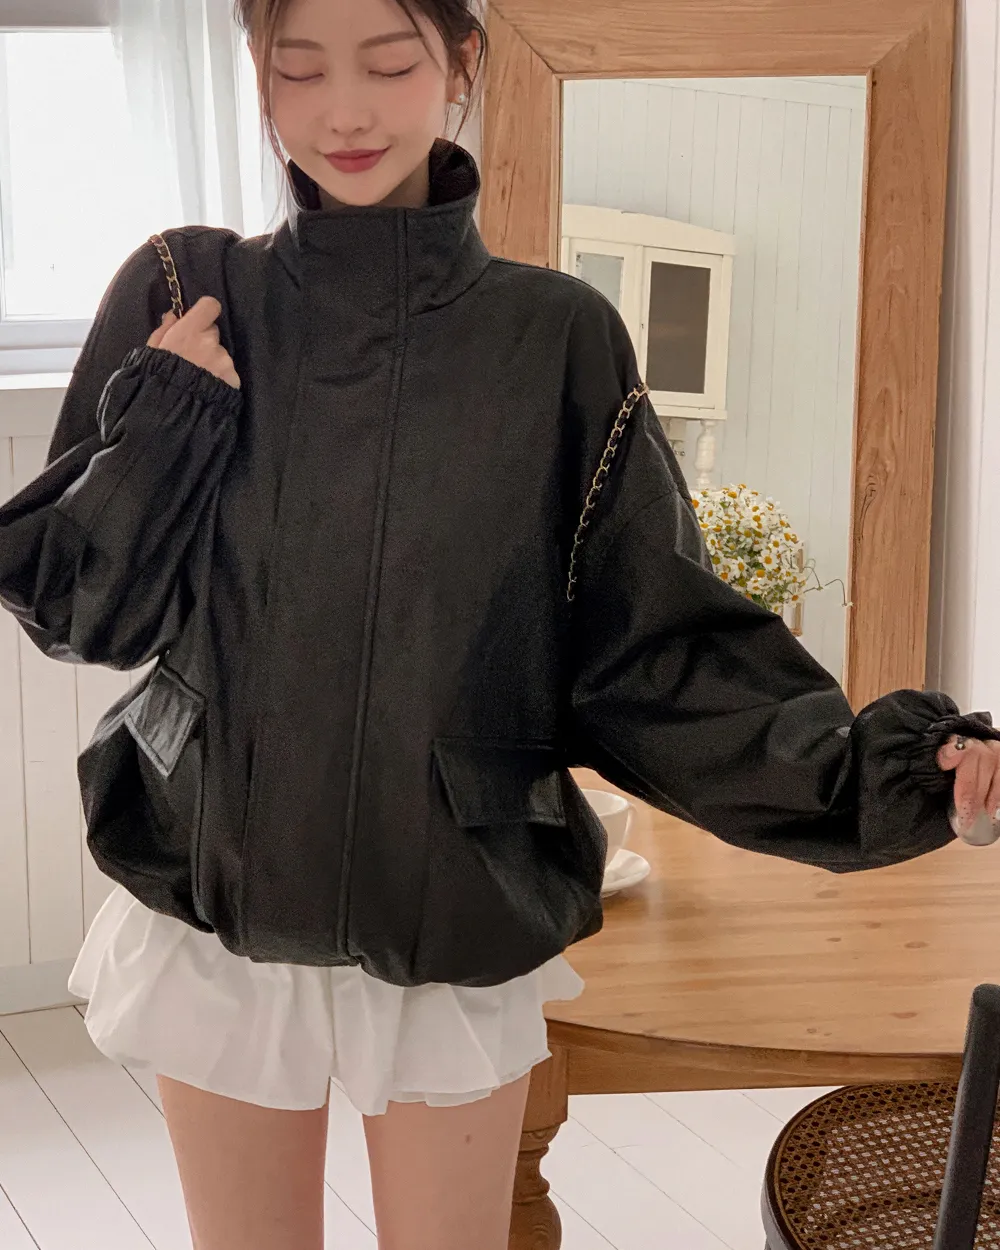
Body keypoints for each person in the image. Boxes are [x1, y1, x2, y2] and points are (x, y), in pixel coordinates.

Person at [0, 0, 998, 1246]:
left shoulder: (556, 336)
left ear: (461, 63)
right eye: (299, 69)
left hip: (458, 894)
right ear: (257, 72)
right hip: (219, 886)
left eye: (388, 64)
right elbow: (76, 610)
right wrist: (161, 429)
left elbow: (650, 646)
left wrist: (888, 770)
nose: (344, 110)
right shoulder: (185, 291)